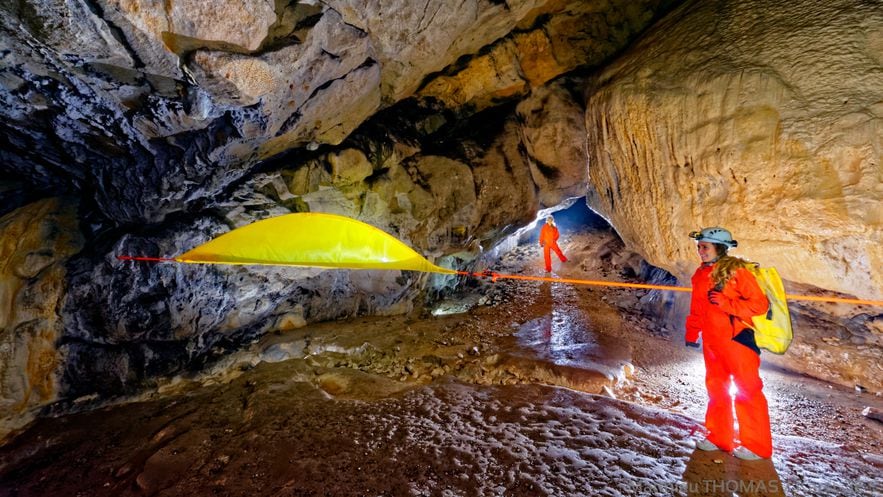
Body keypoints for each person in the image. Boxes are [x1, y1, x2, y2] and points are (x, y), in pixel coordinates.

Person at [685, 227, 772, 460]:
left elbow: (760, 305)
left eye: (705, 247)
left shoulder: (737, 272)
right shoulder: (701, 274)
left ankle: (756, 445)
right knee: (716, 389)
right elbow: (697, 307)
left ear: (719, 248)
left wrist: (727, 304)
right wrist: (692, 333)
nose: (700, 251)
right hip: (712, 342)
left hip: (737, 340)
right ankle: (719, 437)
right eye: (699, 246)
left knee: (748, 391)